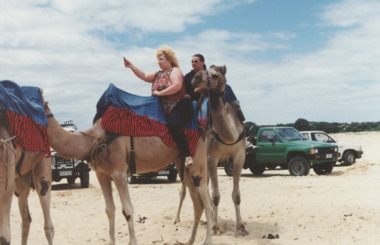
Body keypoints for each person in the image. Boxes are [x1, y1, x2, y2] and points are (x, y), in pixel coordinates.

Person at [124, 46, 194, 167]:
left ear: (169, 59)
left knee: (173, 125)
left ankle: (187, 155)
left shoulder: (175, 70)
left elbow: (177, 86)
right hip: (163, 109)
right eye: (158, 60)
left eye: (161, 59)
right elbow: (144, 75)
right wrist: (131, 66)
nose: (159, 62)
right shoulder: (158, 74)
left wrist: (160, 93)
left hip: (180, 105)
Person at [184, 54, 246, 122]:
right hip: (198, 100)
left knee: (226, 87)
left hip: (212, 95)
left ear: (202, 62)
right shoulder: (188, 77)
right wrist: (194, 91)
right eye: (192, 62)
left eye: (196, 61)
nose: (193, 63)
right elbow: (185, 94)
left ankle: (236, 108)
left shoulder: (209, 74)